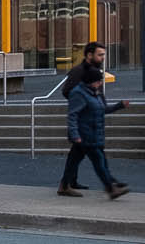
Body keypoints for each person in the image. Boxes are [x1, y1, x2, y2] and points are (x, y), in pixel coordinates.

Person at [61, 70, 129, 198]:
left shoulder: (94, 93)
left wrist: (119, 106)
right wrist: (75, 134)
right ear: (90, 81)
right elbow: (72, 115)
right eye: (98, 81)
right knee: (98, 160)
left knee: (73, 162)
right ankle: (111, 188)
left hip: (92, 134)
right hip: (85, 135)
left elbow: (102, 109)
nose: (100, 83)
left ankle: (64, 186)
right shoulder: (79, 94)